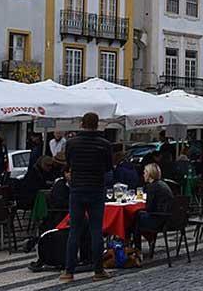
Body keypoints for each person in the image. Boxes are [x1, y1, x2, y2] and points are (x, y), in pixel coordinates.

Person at [61, 112, 113, 283]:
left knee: (74, 230)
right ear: (97, 124)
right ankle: (98, 270)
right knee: (96, 230)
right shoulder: (104, 144)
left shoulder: (72, 143)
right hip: (96, 189)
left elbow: (68, 163)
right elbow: (108, 168)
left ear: (82, 124)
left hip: (77, 189)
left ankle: (69, 272)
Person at [134, 163, 174, 256]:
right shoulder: (162, 184)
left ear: (149, 174)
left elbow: (149, 208)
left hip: (159, 219)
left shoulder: (152, 187)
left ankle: (137, 248)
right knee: (138, 217)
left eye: (145, 172)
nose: (143, 174)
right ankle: (148, 240)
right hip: (169, 218)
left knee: (135, 218)